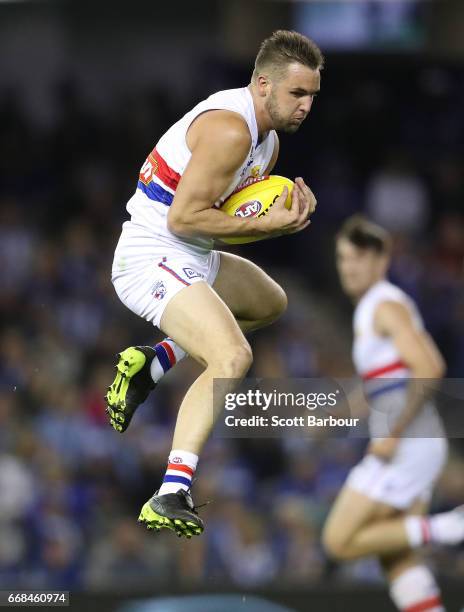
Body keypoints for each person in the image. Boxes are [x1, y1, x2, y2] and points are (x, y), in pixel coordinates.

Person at [105, 30, 322, 538]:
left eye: (312, 95)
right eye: (297, 93)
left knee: (271, 302)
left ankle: (154, 361)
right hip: (151, 255)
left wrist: (274, 215)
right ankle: (170, 491)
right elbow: (184, 219)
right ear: (263, 84)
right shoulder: (231, 131)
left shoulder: (265, 144)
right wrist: (266, 226)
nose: (306, 105)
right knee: (232, 357)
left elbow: (219, 221)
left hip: (189, 252)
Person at [322, 215, 464, 612]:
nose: (348, 267)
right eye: (342, 258)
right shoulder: (371, 308)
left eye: (358, 258)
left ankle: (448, 526)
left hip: (408, 439)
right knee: (398, 557)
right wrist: (331, 416)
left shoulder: (383, 303)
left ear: (381, 261)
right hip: (414, 438)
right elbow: (382, 385)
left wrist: (395, 433)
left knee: (338, 539)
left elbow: (430, 366)